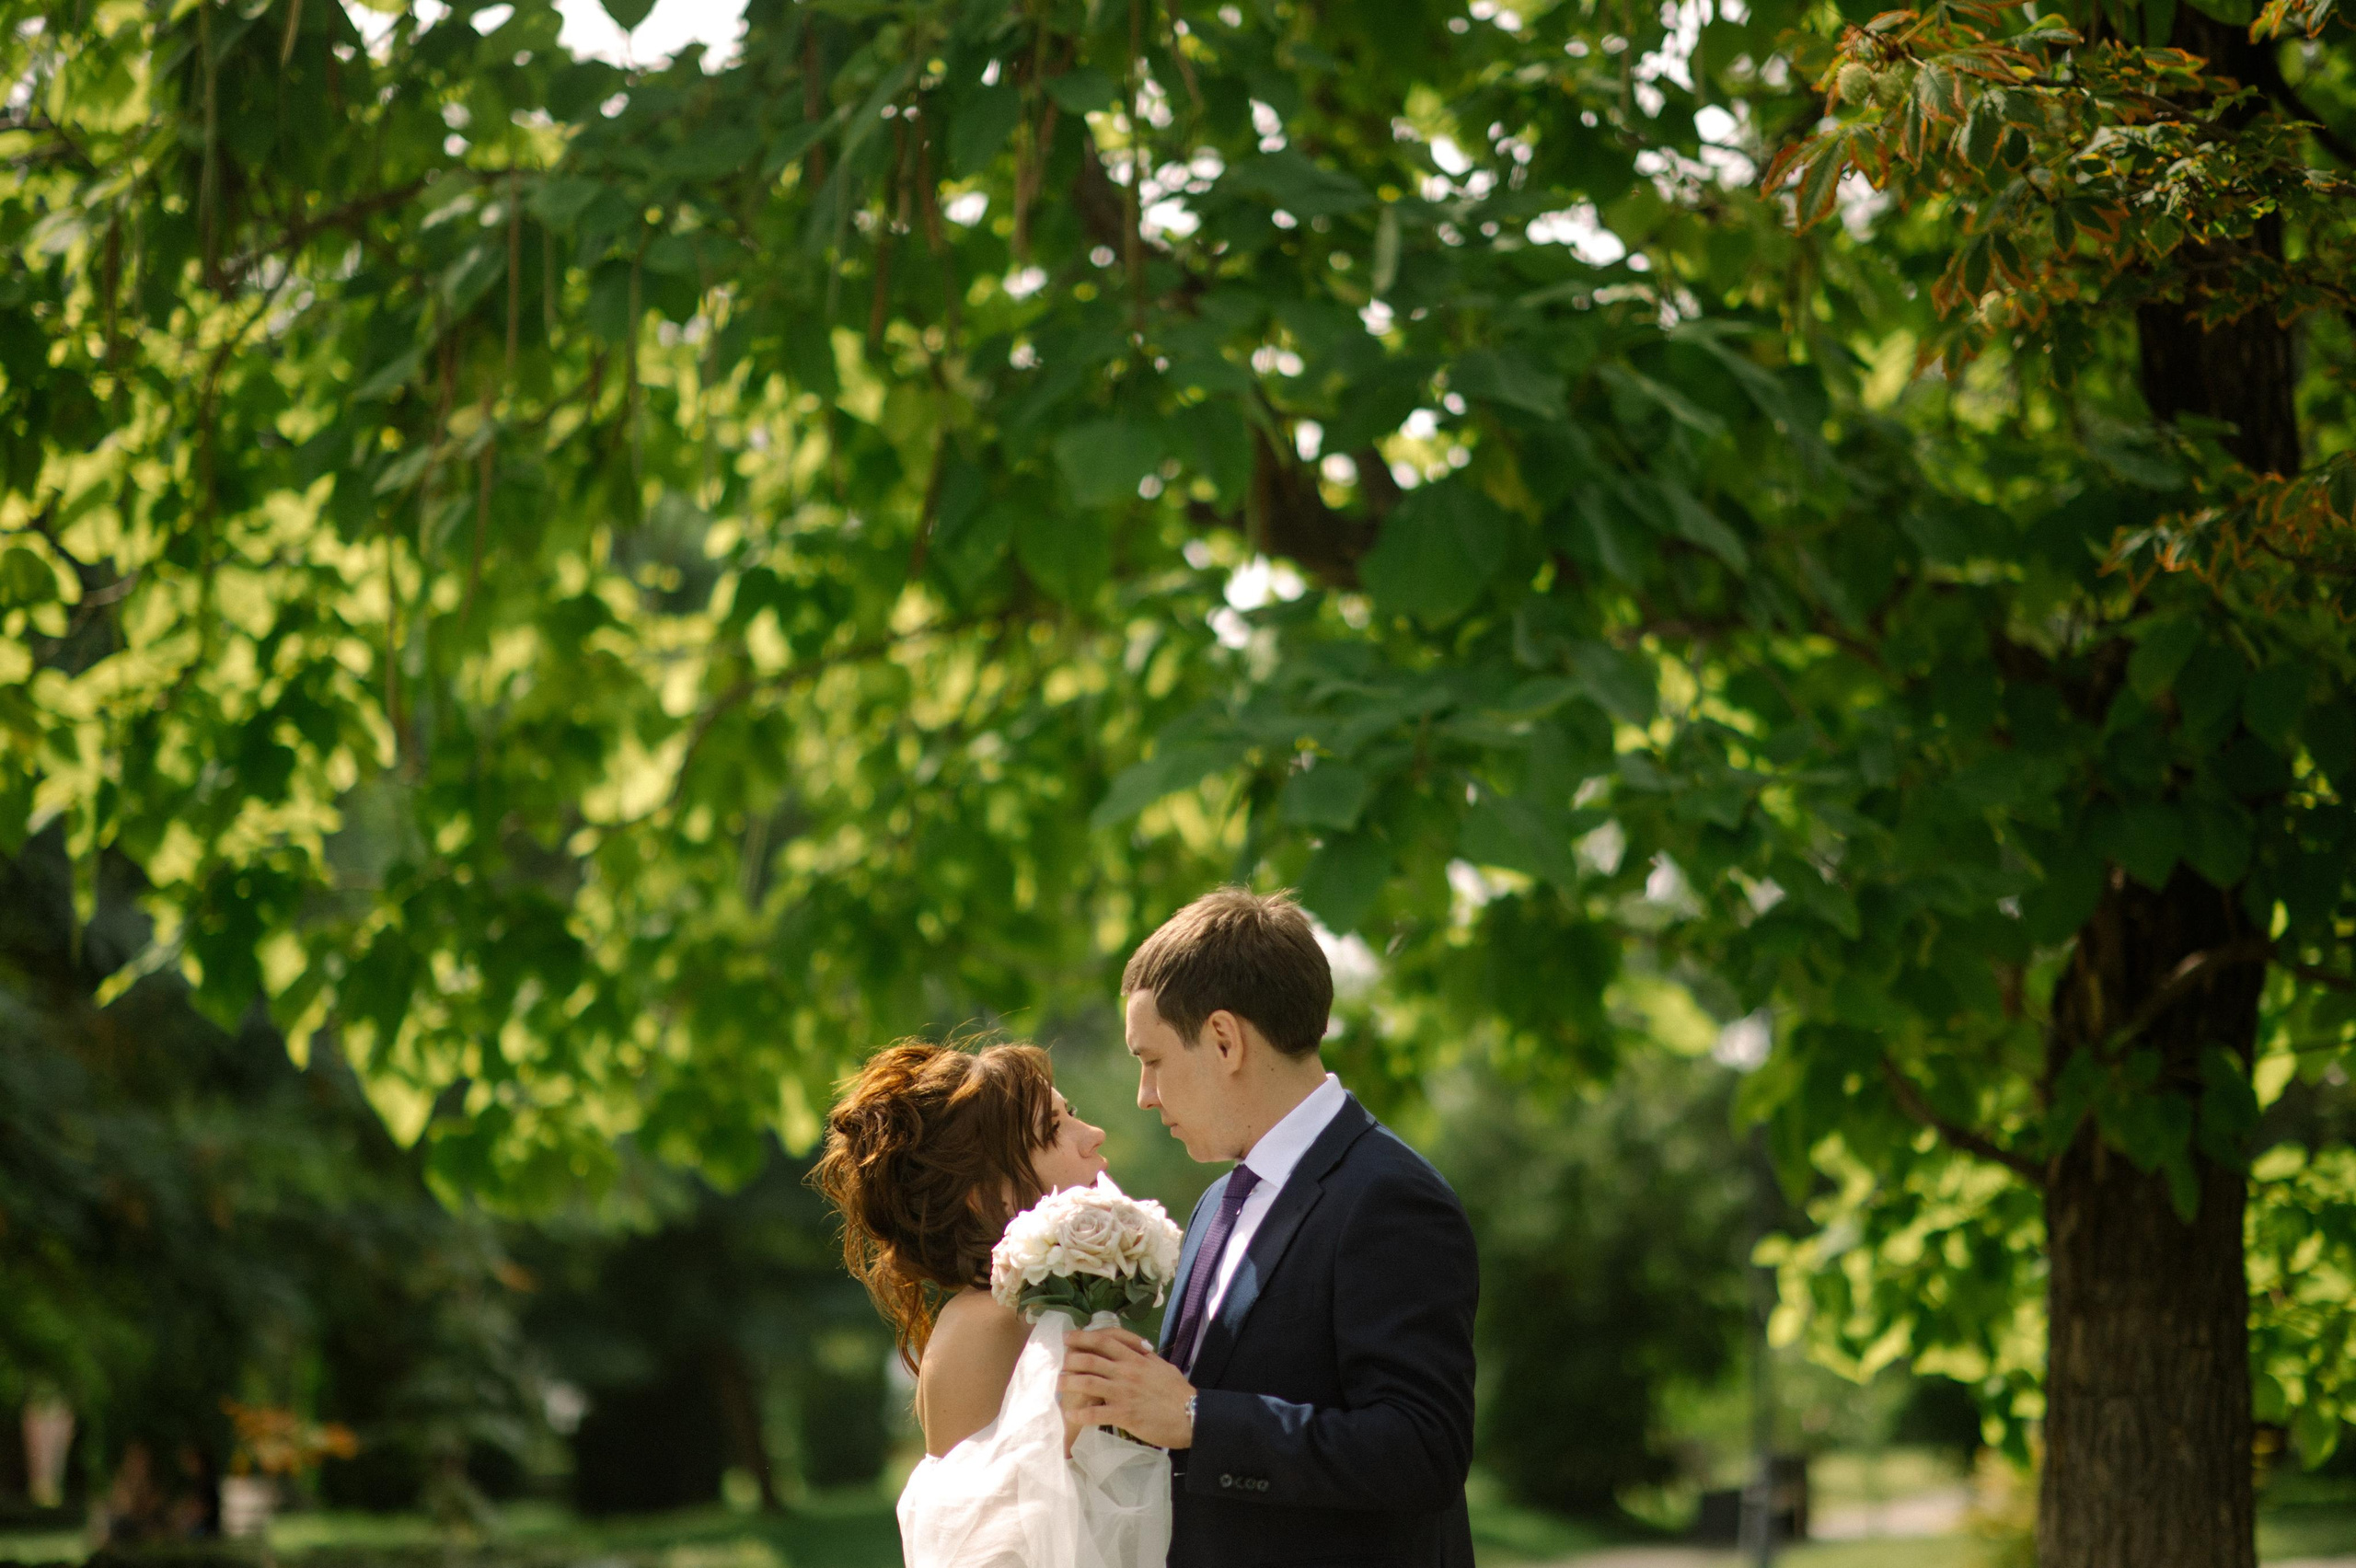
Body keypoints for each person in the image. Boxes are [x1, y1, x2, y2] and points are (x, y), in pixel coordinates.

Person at [1060, 887, 1481, 1568]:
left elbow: (1423, 1449)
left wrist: (1197, 1418)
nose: (1144, 1095)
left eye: (1153, 1059)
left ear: (1224, 1040)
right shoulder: (1213, 1203)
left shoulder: (1390, 1198)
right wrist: (1123, 1403)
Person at [812, 1037, 1169, 1568]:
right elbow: (971, 1544)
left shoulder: (1032, 1312)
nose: (1092, 1135)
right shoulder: (987, 1323)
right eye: (1052, 1130)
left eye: (1072, 1113)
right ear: (991, 1197)